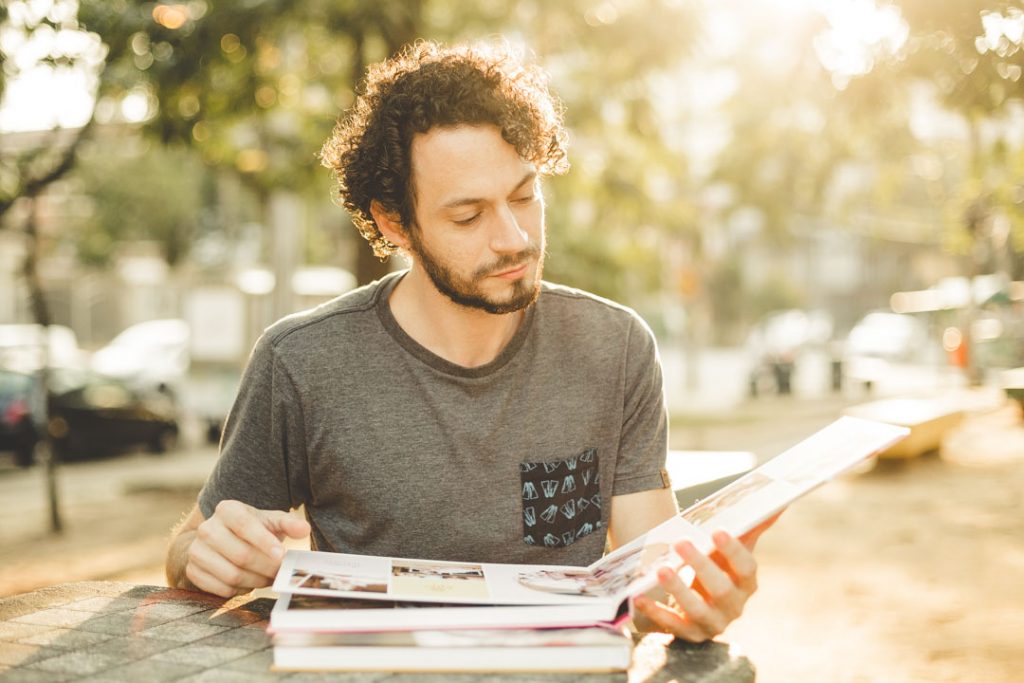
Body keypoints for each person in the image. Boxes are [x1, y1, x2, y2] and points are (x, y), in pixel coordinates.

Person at [166, 40, 773, 642]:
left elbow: (650, 571)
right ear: (393, 221)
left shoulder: (615, 347)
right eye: (468, 216)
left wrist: (697, 601)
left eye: (524, 196)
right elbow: (187, 550)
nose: (513, 238)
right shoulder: (301, 361)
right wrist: (208, 556)